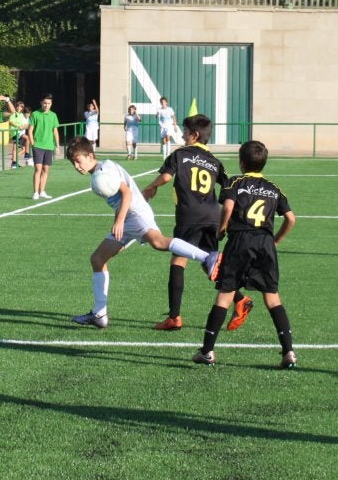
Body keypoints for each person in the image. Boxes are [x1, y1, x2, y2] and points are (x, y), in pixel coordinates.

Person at [64, 136, 219, 329]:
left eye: (78, 160)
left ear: (90, 155)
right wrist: (118, 226)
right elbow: (118, 202)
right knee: (97, 259)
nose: (76, 166)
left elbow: (127, 193)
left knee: (158, 242)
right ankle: (99, 314)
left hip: (135, 214)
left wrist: (120, 221)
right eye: (73, 163)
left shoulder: (104, 173)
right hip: (128, 217)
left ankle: (208, 257)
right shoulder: (101, 171)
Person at [191, 140, 297, 369]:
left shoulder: (235, 182)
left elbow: (227, 208)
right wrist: (275, 240)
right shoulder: (273, 187)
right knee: (272, 297)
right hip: (265, 243)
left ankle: (207, 351)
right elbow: (291, 219)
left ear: (241, 162)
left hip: (240, 241)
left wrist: (221, 231)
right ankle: (288, 352)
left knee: (225, 295)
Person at [142, 113, 251, 332]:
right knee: (210, 263)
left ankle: (174, 318)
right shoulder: (214, 161)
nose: (182, 135)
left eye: (185, 132)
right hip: (211, 216)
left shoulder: (180, 154)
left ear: (195, 134)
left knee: (178, 261)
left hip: (189, 216)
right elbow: (228, 185)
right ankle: (240, 300)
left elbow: (166, 177)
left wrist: (151, 187)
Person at [29, 94, 61, 200]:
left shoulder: (53, 115)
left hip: (49, 146)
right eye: (45, 103)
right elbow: (30, 130)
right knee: (38, 169)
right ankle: (35, 192)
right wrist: (32, 142)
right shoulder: (34, 114)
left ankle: (42, 191)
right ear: (41, 103)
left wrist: (57, 145)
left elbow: (55, 131)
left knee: (45, 169)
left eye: (49, 103)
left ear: (51, 104)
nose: (46, 105)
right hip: (38, 145)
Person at [9, 100, 31, 170]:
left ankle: (16, 160)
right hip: (15, 133)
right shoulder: (13, 113)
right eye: (18, 106)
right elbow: (10, 122)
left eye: (21, 107)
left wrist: (24, 126)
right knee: (15, 148)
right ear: (15, 107)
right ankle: (14, 162)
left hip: (20, 132)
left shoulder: (21, 115)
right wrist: (18, 126)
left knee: (24, 145)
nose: (19, 108)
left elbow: (26, 124)